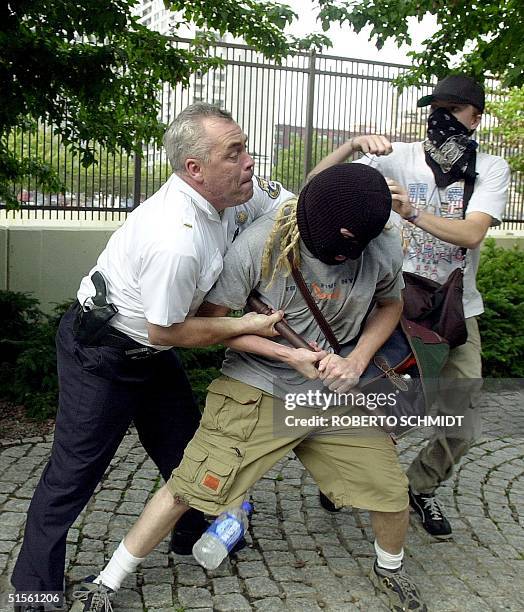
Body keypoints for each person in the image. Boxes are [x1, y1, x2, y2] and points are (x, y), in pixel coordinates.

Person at [70, 163, 428, 612]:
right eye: (333, 250)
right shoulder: (259, 245)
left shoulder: (381, 244)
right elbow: (213, 325)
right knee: (188, 488)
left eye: (351, 250)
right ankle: (107, 583)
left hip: (334, 395)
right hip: (258, 386)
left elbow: (390, 304)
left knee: (391, 490)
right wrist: (288, 354)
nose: (342, 258)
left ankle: (389, 570)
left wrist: (355, 361)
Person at [10, 102, 294, 612]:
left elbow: (290, 206)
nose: (250, 161)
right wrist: (246, 325)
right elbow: (168, 331)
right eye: (235, 153)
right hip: (104, 352)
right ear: (195, 169)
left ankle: (189, 533)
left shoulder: (228, 195)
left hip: (150, 350)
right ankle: (34, 586)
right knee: (74, 473)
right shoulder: (175, 240)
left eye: (246, 146)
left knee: (184, 445)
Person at [309, 74, 510, 537]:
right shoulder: (397, 157)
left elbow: (473, 232)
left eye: (452, 109)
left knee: (461, 424)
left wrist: (412, 213)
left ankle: (417, 488)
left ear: (476, 118)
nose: (440, 118)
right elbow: (317, 192)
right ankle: (346, 476)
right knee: (378, 408)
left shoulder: (490, 168)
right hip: (394, 306)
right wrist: (351, 147)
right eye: (434, 107)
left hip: (456, 311)